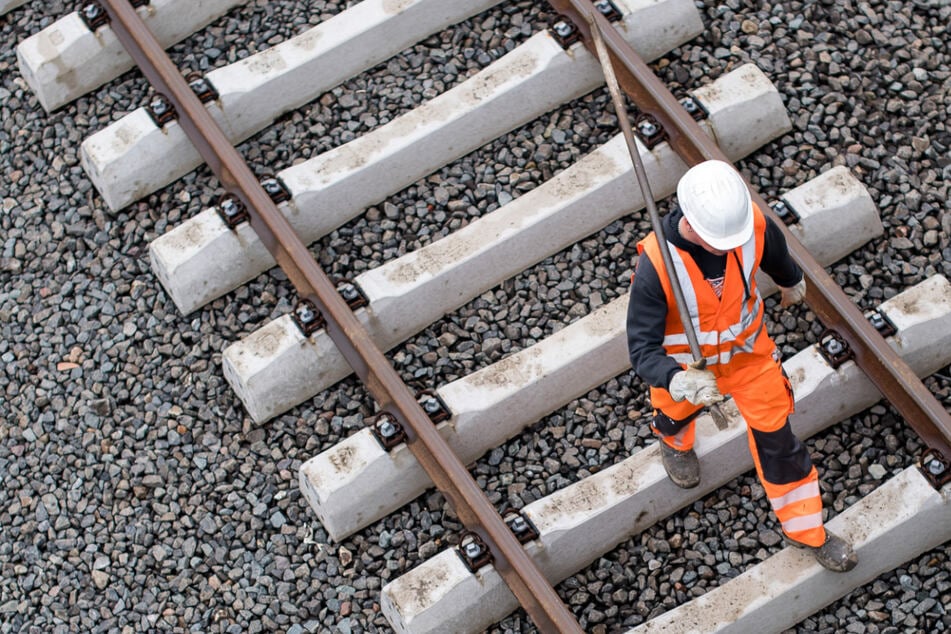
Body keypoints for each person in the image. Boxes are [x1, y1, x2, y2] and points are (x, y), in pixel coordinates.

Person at [626, 159, 857, 572]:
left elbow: (772, 250)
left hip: (749, 359)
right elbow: (641, 349)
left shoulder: (747, 224)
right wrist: (676, 380)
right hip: (688, 370)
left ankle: (807, 531)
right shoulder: (657, 267)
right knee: (674, 414)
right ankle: (674, 443)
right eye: (721, 241)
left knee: (780, 441)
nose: (732, 245)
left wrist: (790, 280)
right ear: (692, 225)